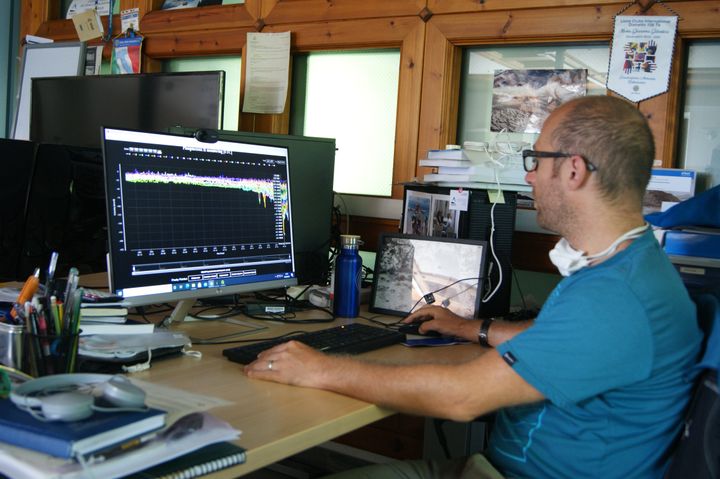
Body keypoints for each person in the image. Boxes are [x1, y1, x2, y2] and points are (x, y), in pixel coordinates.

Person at [245, 96, 702, 478]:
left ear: (574, 170)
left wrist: (320, 368)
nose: (529, 176)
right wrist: (471, 328)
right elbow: (561, 343)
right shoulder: (630, 267)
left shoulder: (616, 298)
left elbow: (463, 398)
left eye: (535, 160)